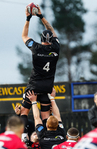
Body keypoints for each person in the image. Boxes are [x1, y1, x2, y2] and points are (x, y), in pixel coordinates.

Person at [20, 3, 60, 131]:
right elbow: (52, 30)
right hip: (47, 86)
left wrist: (28, 18)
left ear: (41, 38)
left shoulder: (36, 48)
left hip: (34, 85)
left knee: (24, 113)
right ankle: (45, 137)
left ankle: (25, 136)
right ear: (52, 39)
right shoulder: (56, 48)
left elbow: (24, 36)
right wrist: (41, 16)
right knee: (45, 117)